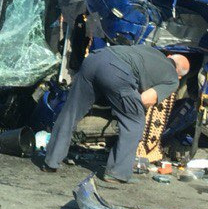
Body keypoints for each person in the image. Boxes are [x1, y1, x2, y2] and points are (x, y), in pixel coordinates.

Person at [43, 44, 190, 183]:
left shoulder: (152, 51)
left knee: (71, 112)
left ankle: (50, 161)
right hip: (116, 73)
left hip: (95, 58)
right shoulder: (173, 80)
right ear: (179, 76)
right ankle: (116, 173)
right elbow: (145, 99)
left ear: (169, 56)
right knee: (135, 122)